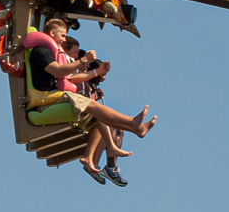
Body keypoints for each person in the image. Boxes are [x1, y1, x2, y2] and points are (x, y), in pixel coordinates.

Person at [24, 18, 154, 182]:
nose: (64, 39)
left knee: (99, 114)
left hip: (55, 100)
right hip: (44, 104)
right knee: (90, 105)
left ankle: (101, 153)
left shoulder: (54, 52)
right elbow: (58, 72)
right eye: (63, 36)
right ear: (51, 33)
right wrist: (83, 61)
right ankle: (132, 124)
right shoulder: (40, 50)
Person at [62, 34, 129, 186]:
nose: (103, 79)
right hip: (75, 112)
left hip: (82, 112)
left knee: (118, 127)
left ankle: (111, 166)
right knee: (103, 117)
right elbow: (74, 81)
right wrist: (95, 72)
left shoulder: (88, 84)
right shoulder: (73, 72)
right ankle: (92, 160)